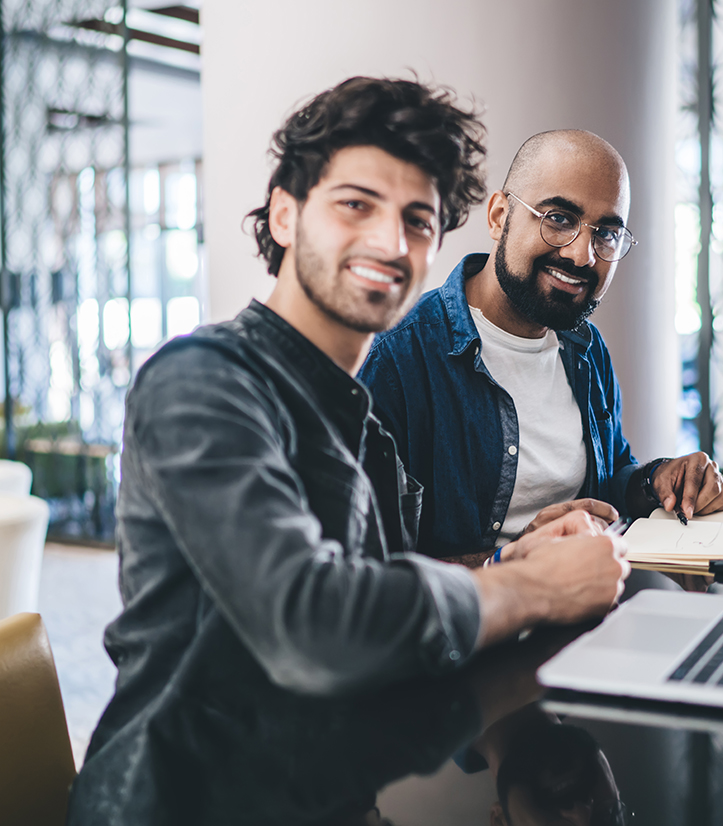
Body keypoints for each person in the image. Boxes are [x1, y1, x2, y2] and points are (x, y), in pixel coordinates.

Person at [66, 80, 630, 824]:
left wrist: (515, 562)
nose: (391, 243)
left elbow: (384, 597)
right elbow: (311, 622)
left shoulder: (355, 415)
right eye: (356, 205)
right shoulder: (200, 383)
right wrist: (537, 590)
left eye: (417, 220)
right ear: (285, 213)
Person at [359, 129, 723, 564]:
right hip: (475, 628)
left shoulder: (584, 347)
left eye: (607, 234)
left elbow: (609, 480)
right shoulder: (397, 359)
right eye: (558, 218)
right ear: (500, 216)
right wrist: (511, 564)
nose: (583, 256)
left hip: (594, 616)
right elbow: (367, 574)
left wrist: (657, 479)